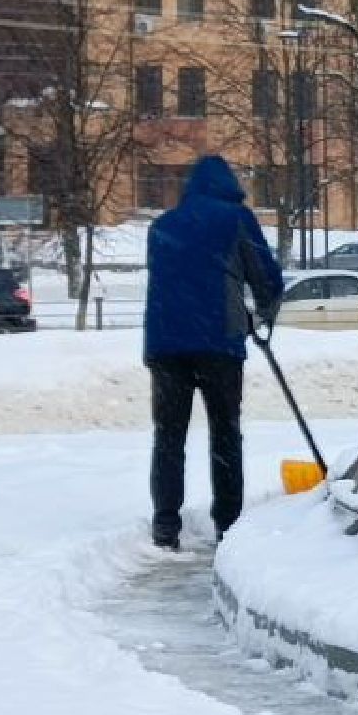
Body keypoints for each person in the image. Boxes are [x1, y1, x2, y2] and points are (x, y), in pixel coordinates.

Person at [143, 155, 282, 551]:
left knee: (168, 437)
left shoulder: (162, 226)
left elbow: (169, 282)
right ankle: (228, 525)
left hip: (165, 346)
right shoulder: (235, 219)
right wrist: (264, 314)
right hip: (218, 344)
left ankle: (165, 525)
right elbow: (266, 278)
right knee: (225, 435)